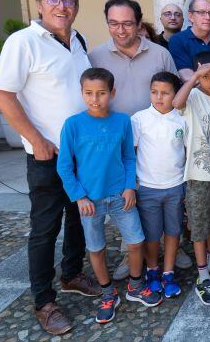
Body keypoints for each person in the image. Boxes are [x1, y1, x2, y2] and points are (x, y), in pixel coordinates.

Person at [0, 0, 100, 335]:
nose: (61, 6)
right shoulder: (23, 42)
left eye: (68, 0)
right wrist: (36, 140)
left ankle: (71, 274)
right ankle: (44, 301)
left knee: (79, 217)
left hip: (79, 152)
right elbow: (3, 95)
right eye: (53, 0)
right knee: (45, 228)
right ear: (39, 5)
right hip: (47, 154)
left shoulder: (78, 41)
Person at [57, 68, 163, 324]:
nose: (95, 99)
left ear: (111, 93)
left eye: (101, 93)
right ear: (82, 93)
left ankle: (136, 287)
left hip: (120, 195)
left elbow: (129, 156)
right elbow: (64, 165)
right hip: (89, 201)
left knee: (136, 241)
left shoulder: (122, 121)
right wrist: (79, 197)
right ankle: (107, 293)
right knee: (96, 247)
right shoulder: (73, 125)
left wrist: (130, 186)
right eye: (89, 93)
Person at [89, 0, 181, 281]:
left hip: (157, 138)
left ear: (139, 24)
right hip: (115, 142)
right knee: (126, 199)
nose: (120, 30)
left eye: (127, 23)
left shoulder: (159, 54)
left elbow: (175, 93)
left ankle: (171, 250)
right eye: (113, 23)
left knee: (161, 192)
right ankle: (134, 255)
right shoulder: (94, 56)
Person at [172, 52, 210, 306]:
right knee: (199, 226)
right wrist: (195, 77)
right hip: (198, 176)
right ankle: (201, 276)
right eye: (205, 76)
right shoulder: (194, 97)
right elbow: (176, 103)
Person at [131, 72, 186, 299]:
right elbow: (131, 153)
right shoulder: (139, 119)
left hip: (175, 186)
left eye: (165, 93)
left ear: (176, 94)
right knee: (152, 234)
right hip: (147, 187)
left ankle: (168, 273)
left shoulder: (182, 119)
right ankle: (152, 271)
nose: (159, 97)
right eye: (154, 92)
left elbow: (186, 151)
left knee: (173, 232)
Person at [169, 0, 210, 81]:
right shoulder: (178, 40)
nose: (207, 17)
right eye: (202, 12)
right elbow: (187, 77)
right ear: (191, 16)